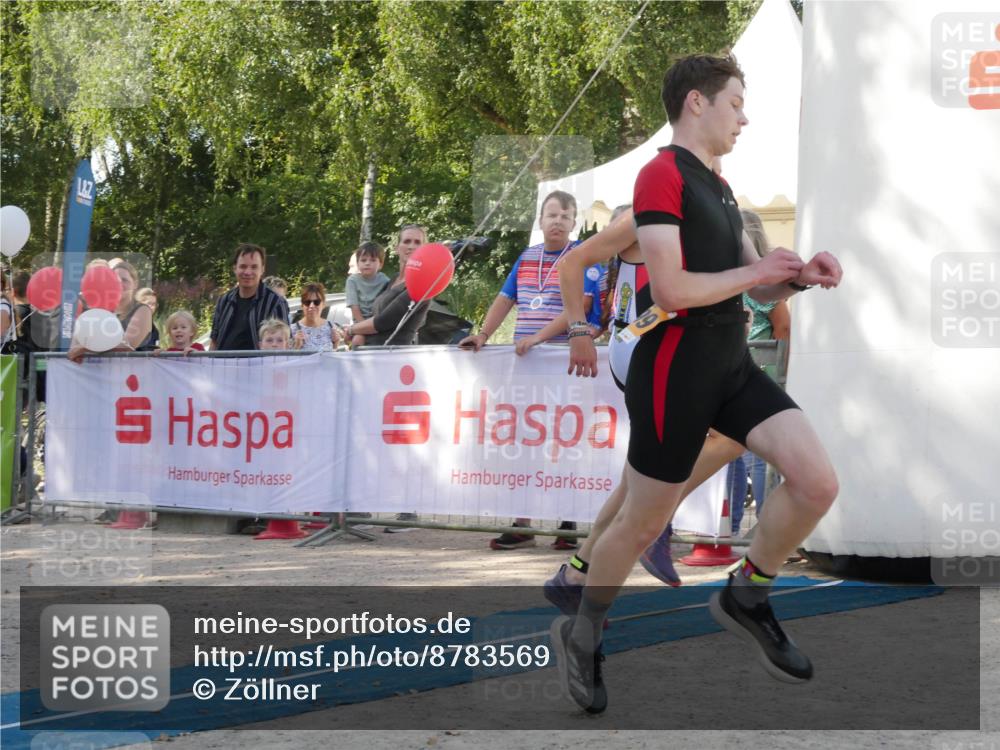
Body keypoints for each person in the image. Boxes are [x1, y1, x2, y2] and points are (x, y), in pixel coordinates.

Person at [551, 53, 843, 714]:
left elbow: (756, 280)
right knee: (641, 520)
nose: (744, 116)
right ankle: (585, 629)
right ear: (696, 104)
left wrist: (798, 277)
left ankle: (748, 592)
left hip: (730, 361)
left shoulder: (720, 183)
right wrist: (755, 275)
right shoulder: (660, 175)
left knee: (818, 481)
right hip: (673, 369)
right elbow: (674, 290)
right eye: (736, 103)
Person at [544, 205, 745, 611]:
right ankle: (655, 518)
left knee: (637, 476)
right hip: (641, 347)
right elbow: (573, 263)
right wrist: (579, 329)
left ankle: (576, 572)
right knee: (728, 435)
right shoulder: (644, 214)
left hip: (652, 344)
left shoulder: (696, 214)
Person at [457, 191, 605, 551]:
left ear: (574, 222)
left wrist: (539, 338)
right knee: (526, 443)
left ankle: (567, 521)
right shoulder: (526, 258)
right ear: (540, 220)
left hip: (564, 363)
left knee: (566, 441)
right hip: (526, 368)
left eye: (565, 216)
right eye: (551, 214)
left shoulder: (584, 256)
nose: (557, 221)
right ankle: (521, 521)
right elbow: (506, 298)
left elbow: (582, 309)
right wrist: (484, 333)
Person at [344, 225, 430, 347]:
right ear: (397, 248)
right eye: (406, 241)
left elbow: (382, 322)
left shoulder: (421, 285)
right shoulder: (391, 280)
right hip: (367, 353)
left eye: (417, 242)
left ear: (424, 249)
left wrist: (352, 330)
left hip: (391, 357)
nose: (411, 246)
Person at [210, 243, 289, 351]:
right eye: (243, 266)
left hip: (259, 367)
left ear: (262, 269)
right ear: (234, 268)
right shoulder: (224, 300)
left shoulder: (275, 303)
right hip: (224, 366)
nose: (247, 272)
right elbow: (214, 341)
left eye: (254, 267)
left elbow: (283, 344)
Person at [344, 241, 390, 348]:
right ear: (358, 263)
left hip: (378, 321)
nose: (367, 263)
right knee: (357, 341)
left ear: (381, 264)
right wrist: (364, 328)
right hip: (360, 322)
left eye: (373, 260)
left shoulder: (385, 280)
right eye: (363, 260)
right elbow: (354, 308)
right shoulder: (352, 281)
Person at [113, 261, 155, 351]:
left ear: (135, 284)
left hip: (135, 364)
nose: (119, 284)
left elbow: (126, 346)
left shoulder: (143, 310)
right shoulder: (105, 310)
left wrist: (85, 349)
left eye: (124, 280)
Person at [291, 281, 339, 352]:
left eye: (317, 302)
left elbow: (334, 357)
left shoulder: (331, 327)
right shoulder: (292, 330)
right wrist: (296, 347)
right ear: (302, 305)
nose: (311, 306)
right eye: (307, 302)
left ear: (323, 304)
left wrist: (336, 343)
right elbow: (287, 360)